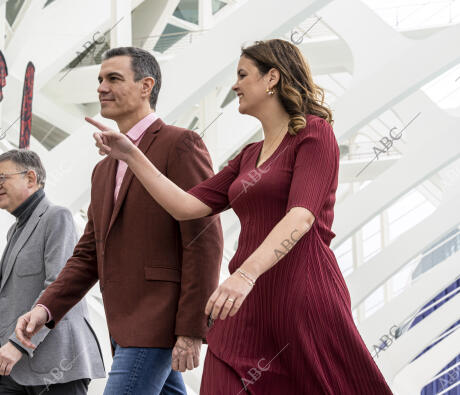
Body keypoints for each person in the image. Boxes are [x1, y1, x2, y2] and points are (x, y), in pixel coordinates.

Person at [88, 39, 393, 394]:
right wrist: (132, 156)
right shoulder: (248, 156)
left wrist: (245, 275)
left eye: (243, 74)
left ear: (272, 78)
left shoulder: (314, 133)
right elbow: (185, 206)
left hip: (300, 293)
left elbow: (301, 217)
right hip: (241, 305)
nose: (234, 85)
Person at [14, 47, 223, 394]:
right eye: (99, 79)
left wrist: (191, 327)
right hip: (124, 326)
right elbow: (88, 255)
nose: (101, 87)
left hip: (158, 322)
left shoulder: (180, 144)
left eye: (113, 78)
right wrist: (45, 308)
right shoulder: (103, 169)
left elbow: (204, 238)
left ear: (146, 86)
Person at [0, 149, 105, 395]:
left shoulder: (56, 217)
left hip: (55, 368)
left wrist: (18, 345)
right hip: (14, 370)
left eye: (1, 178)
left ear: (30, 178)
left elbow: (58, 286)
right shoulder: (15, 231)